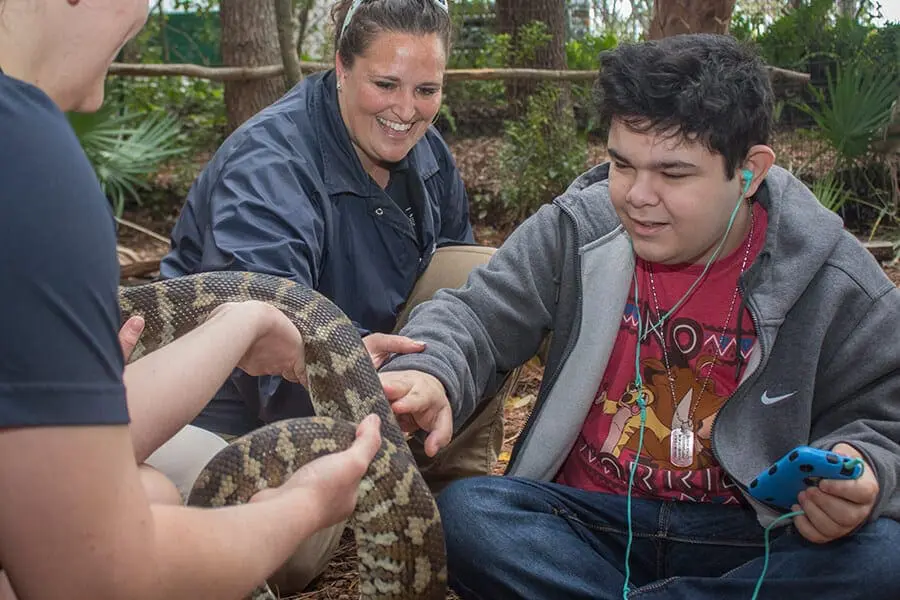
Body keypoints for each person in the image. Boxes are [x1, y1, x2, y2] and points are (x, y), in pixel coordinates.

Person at [378, 33, 900, 599]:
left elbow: (886, 412)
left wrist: (865, 466)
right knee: (466, 517)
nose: (637, 196)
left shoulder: (831, 276)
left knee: (881, 559)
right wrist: (431, 373)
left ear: (749, 171)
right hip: (590, 523)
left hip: (751, 534)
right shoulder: (578, 228)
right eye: (621, 164)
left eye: (674, 174)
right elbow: (476, 316)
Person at [0, 1, 383, 599]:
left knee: (150, 489)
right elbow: (93, 577)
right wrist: (302, 507)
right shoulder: (28, 163)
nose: (147, 12)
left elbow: (49, 465)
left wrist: (245, 319)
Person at [155, 0, 515, 591]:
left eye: (427, 89)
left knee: (477, 275)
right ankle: (357, 494)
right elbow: (263, 334)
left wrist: (427, 372)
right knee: (286, 558)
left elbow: (463, 297)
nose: (406, 111)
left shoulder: (428, 152)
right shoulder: (270, 163)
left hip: (368, 379)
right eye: (385, 84)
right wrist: (344, 364)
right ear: (341, 68)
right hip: (246, 414)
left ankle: (446, 497)